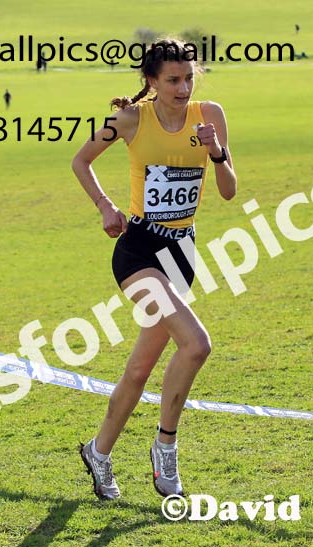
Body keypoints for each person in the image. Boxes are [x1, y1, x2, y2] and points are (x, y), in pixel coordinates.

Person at [71, 39, 237, 500]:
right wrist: (105, 206)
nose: (183, 89)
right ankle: (165, 448)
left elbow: (229, 191)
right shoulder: (130, 119)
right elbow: (81, 161)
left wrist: (217, 152)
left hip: (182, 254)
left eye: (188, 79)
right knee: (196, 344)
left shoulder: (210, 115)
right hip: (139, 252)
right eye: (173, 80)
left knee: (140, 369)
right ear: (152, 81)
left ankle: (98, 452)